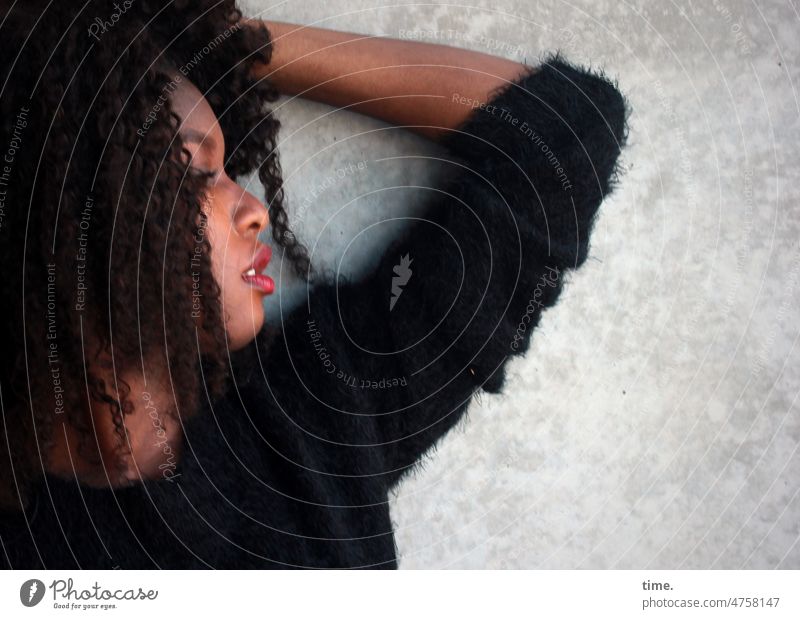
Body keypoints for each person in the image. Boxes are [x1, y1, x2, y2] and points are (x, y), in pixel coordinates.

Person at [0, 0, 628, 568]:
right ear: (71, 217)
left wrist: (227, 41)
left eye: (231, 168)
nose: (255, 210)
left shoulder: (312, 422)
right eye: (195, 173)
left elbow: (560, 138)